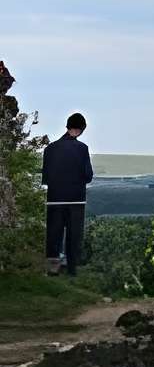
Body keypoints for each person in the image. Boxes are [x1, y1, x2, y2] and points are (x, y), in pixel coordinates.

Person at [42, 113, 93, 276]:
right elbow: (88, 176)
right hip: (76, 200)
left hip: (55, 198)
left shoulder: (50, 149)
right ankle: (72, 270)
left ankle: (52, 268)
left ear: (67, 126)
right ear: (81, 129)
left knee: (54, 233)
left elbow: (46, 177)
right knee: (73, 235)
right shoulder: (82, 148)